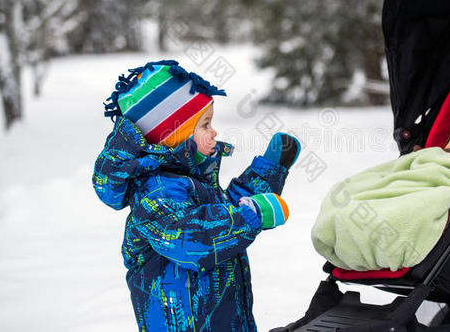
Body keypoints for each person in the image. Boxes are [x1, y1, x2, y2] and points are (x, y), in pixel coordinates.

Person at [92, 60, 301, 332]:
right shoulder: (155, 193)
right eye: (205, 124)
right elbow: (194, 239)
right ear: (174, 137)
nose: (213, 132)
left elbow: (223, 212)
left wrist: (268, 171)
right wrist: (254, 214)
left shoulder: (190, 183)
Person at [311, 106, 450, 272]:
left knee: (398, 214)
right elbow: (396, 174)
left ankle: (370, 237)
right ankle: (345, 224)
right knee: (350, 194)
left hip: (427, 198)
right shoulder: (432, 156)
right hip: (409, 187)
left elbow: (437, 196)